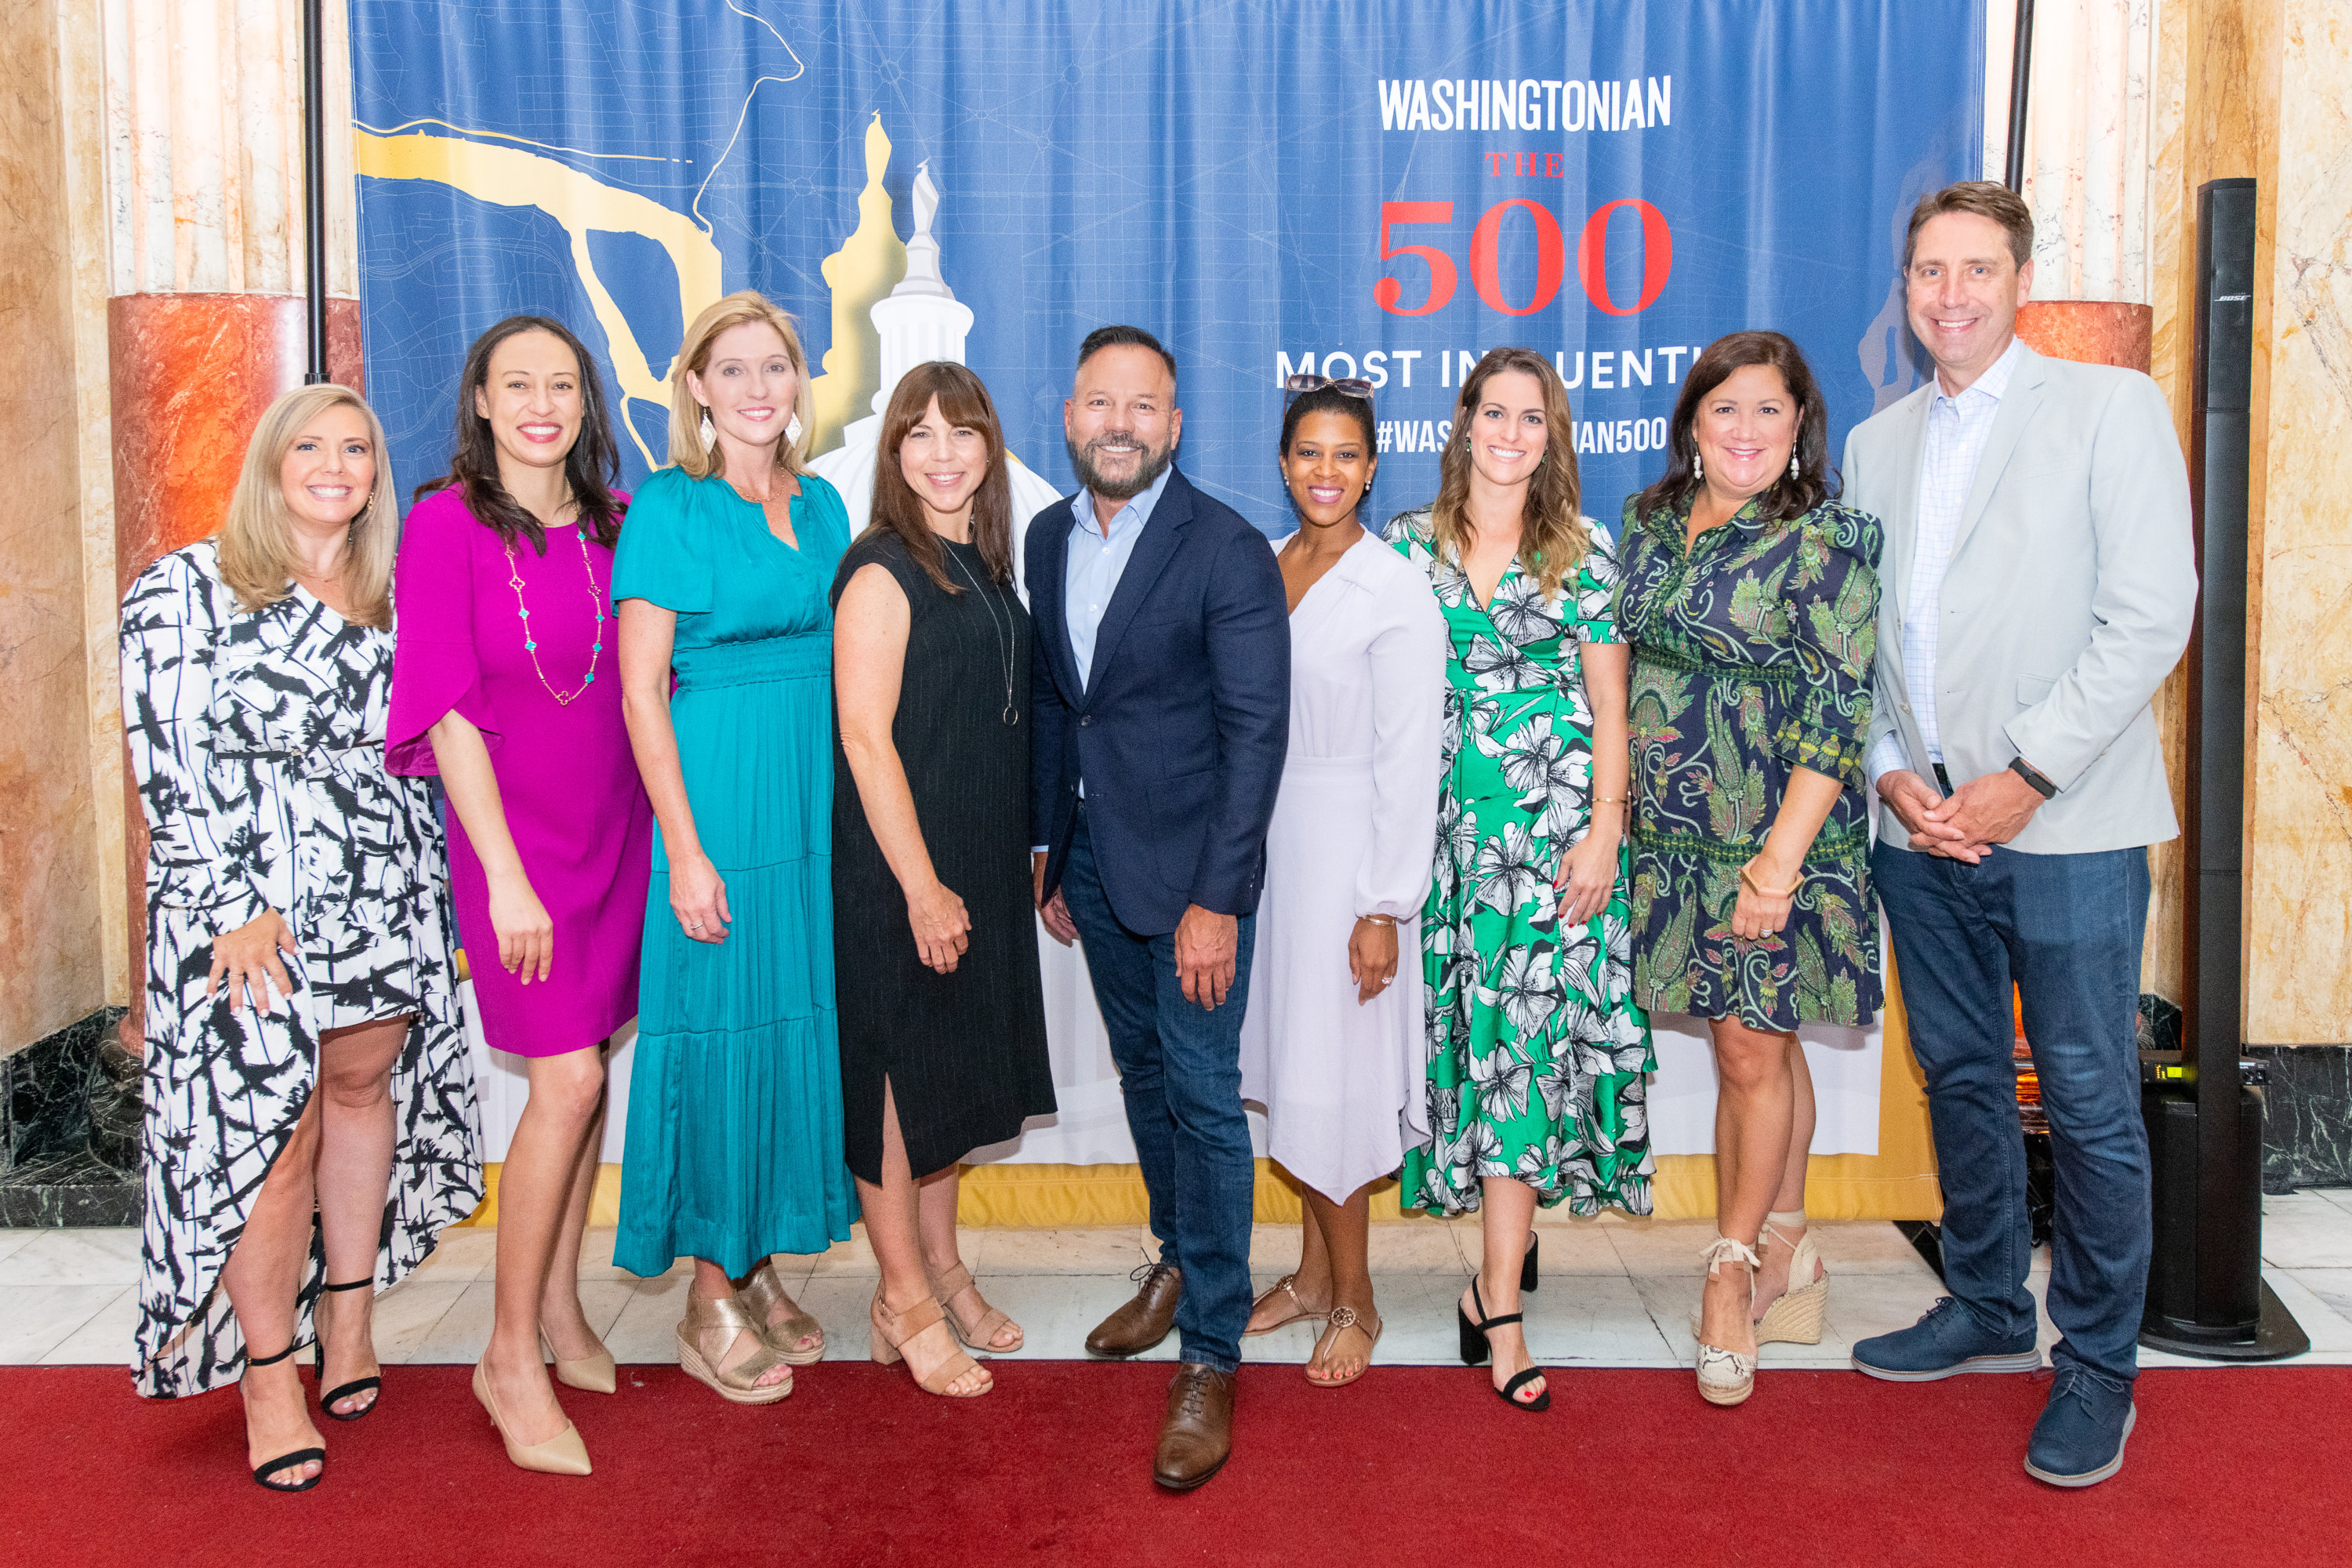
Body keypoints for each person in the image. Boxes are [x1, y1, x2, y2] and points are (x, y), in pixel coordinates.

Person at [1844, 181, 2195, 1489]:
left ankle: (2096, 1365)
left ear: (2020, 276)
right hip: (1919, 833)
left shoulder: (2108, 411)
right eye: (1929, 271)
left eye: (1976, 269)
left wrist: (2027, 774)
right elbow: (1867, 654)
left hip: (2069, 824)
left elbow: (2151, 616)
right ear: (1907, 288)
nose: (1950, 294)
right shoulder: (1878, 446)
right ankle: (1989, 1302)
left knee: (2094, 1099)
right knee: (1962, 1074)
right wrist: (1891, 779)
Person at [121, 383, 481, 1491]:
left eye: (358, 449)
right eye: (312, 446)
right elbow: (166, 757)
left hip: (383, 886)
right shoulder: (186, 587)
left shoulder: (392, 591)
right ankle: (268, 1373)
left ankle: (351, 1317)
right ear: (271, 463)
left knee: (362, 1090)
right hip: (247, 912)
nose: (337, 465)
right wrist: (227, 899)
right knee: (270, 1136)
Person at [387, 315, 654, 1472]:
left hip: (617, 833)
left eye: (563, 384)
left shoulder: (618, 523)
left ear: (586, 405)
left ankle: (559, 1309)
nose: (542, 403)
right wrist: (502, 878)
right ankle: (505, 1353)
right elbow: (445, 707)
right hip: (516, 850)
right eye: (518, 384)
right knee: (570, 1078)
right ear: (482, 403)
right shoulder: (442, 525)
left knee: (590, 1069)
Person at [1028, 325, 1288, 1489]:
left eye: (1144, 406)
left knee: (1202, 1097)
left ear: (1175, 426)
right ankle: (1177, 1258)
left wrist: (1217, 901)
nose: (1120, 423)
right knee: (1142, 1078)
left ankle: (1213, 1350)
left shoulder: (1226, 549)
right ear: (1071, 417)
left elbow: (1255, 739)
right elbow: (1057, 707)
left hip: (1192, 883)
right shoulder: (1044, 535)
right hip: (1091, 867)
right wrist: (1049, 850)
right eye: (1100, 403)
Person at [1613, 330, 1885, 1409]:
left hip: (1776, 836)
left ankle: (1730, 1275)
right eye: (1726, 409)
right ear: (1692, 423)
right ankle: (1791, 1245)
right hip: (1670, 840)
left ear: (1801, 427)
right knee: (1759, 1046)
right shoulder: (1644, 521)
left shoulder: (1832, 536)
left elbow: (1840, 711)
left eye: (1770, 411)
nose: (1745, 431)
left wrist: (1777, 867)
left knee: (1743, 1052)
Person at [1383, 346, 1654, 1414]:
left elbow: (1612, 710)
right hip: (1449, 856)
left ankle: (1501, 1307)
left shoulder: (1584, 558)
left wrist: (1603, 837)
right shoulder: (1404, 549)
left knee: (1526, 1072)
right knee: (1478, 1065)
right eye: (1492, 412)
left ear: (1554, 435)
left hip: (1552, 858)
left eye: (1529, 417)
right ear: (1461, 423)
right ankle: (1491, 1279)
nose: (1508, 433)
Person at [612, 290, 855, 1403]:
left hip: (809, 807)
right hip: (717, 801)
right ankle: (709, 1289)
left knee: (788, 1026)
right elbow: (641, 692)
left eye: (778, 366)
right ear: (697, 389)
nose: (761, 388)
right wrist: (686, 848)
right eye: (736, 369)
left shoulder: (823, 508)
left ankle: (755, 1266)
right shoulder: (670, 506)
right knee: (719, 1029)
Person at [832, 362, 1057, 1398]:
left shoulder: (985, 560)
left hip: (972, 859)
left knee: (951, 1083)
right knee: (894, 1083)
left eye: (960, 432)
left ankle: (943, 1268)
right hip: (900, 867)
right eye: (918, 434)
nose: (942, 452)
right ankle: (900, 1297)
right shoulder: (883, 566)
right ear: (894, 454)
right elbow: (868, 742)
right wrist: (922, 887)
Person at [1237, 378, 1444, 1388]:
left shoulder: (1394, 585)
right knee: (1297, 1074)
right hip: (1273, 852)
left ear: (1372, 467)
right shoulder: (1270, 565)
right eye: (1308, 453)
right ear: (1284, 463)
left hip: (1349, 858)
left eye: (1346, 455)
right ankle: (1315, 1275)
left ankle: (1357, 1297)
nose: (1326, 472)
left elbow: (1412, 761)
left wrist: (1382, 905)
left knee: (1342, 1081)